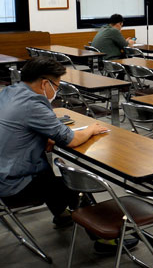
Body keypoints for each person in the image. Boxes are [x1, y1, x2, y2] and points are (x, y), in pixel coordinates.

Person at [0, 58, 134, 253]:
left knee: (49, 174)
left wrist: (38, 138)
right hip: (12, 184)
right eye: (57, 85)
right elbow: (70, 139)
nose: (57, 91)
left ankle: (62, 215)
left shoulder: (9, 92)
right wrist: (90, 129)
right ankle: (105, 240)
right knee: (76, 184)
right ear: (45, 83)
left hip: (5, 169)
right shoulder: (33, 103)